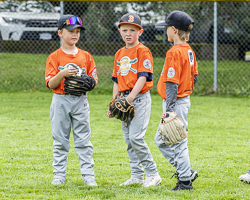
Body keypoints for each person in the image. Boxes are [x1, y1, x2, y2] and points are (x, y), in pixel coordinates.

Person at [107, 13, 162, 187]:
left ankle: (153, 173)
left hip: (138, 98)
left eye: (133, 30)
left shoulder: (142, 51)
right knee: (129, 140)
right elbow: (116, 80)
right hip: (124, 99)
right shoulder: (119, 53)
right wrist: (114, 103)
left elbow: (143, 77)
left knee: (136, 137)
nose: (128, 33)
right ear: (119, 31)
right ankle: (137, 175)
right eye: (125, 30)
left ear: (140, 32)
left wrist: (130, 98)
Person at [45, 15, 98, 186]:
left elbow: (94, 80)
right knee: (60, 140)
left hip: (80, 100)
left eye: (77, 31)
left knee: (83, 140)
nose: (75, 34)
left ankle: (88, 175)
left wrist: (90, 82)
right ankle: (59, 175)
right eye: (70, 31)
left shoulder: (86, 56)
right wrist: (62, 74)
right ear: (60, 33)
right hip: (60, 100)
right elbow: (50, 83)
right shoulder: (54, 57)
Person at [154, 10, 199, 191]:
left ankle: (185, 182)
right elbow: (194, 77)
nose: (166, 32)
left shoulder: (174, 51)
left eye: (167, 28)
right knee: (161, 140)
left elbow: (172, 84)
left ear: (173, 30)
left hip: (175, 102)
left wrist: (170, 111)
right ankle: (185, 171)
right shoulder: (189, 51)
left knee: (177, 142)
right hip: (183, 100)